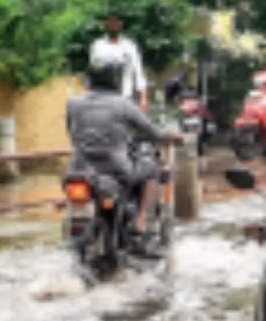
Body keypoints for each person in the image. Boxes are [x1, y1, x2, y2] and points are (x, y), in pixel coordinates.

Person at [66, 48, 182, 248]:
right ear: (116, 78)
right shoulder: (123, 105)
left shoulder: (73, 103)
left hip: (80, 168)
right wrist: (168, 137)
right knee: (152, 169)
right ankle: (140, 222)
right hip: (117, 170)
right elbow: (151, 131)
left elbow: (72, 132)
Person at [89, 11, 148, 110]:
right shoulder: (97, 46)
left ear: (121, 24)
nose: (113, 25)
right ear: (106, 24)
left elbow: (138, 73)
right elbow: (93, 73)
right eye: (110, 22)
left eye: (116, 22)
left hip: (125, 99)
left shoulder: (129, 46)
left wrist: (143, 98)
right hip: (103, 100)